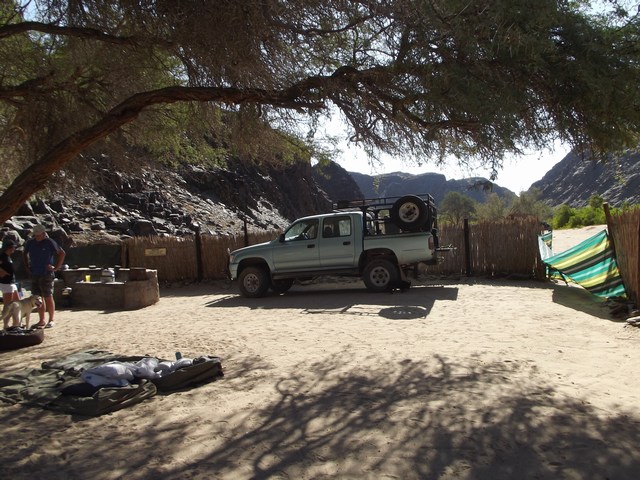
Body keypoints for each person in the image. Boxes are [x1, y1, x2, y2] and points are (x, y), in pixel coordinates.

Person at [23, 225, 65, 328]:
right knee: (38, 298)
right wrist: (27, 266)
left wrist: (56, 267)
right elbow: (24, 253)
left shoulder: (49, 242)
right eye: (35, 235)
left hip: (46, 273)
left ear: (43, 234)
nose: (37, 237)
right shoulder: (30, 243)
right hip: (34, 273)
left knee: (48, 296)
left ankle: (51, 319)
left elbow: (61, 253)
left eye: (39, 235)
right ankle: (41, 320)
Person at [0, 238, 20, 326]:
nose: (14, 249)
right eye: (13, 247)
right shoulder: (2, 256)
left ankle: (16, 323)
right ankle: (6, 325)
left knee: (17, 303)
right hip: (6, 283)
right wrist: (2, 272)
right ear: (9, 248)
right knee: (8, 306)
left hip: (12, 282)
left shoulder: (8, 257)